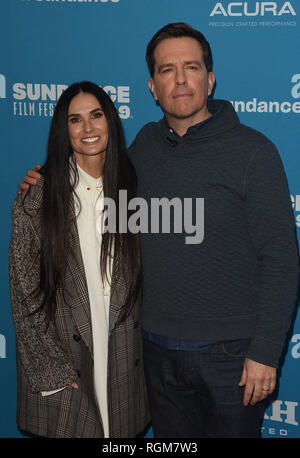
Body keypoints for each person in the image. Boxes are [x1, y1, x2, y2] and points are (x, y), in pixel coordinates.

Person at [19, 23, 299, 438]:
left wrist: (265, 353)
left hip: (233, 359)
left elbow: (281, 259)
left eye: (191, 67)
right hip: (154, 355)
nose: (181, 79)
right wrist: (42, 180)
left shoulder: (254, 152)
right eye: (168, 70)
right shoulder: (140, 152)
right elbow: (92, 180)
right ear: (152, 86)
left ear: (210, 78)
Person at [10, 81, 149, 438]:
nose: (88, 128)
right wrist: (53, 373)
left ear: (110, 122)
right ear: (64, 130)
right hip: (66, 366)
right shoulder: (37, 199)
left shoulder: (136, 190)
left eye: (96, 115)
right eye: (75, 119)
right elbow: (24, 294)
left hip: (123, 357)